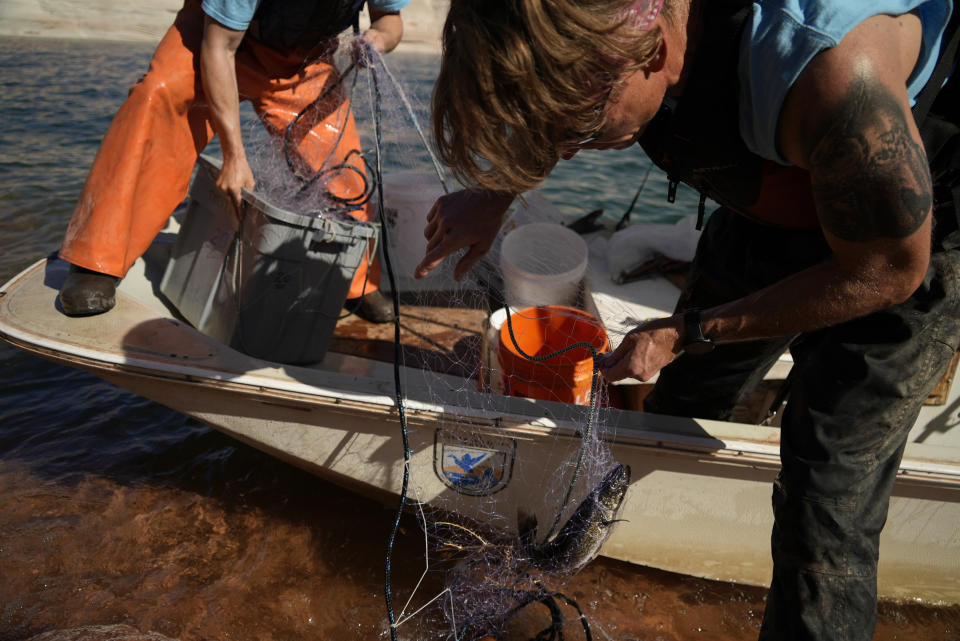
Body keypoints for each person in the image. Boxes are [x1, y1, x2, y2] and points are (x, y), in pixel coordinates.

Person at [416, 0, 960, 638]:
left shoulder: (834, 70)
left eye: (585, 130)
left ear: (656, 53)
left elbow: (890, 268)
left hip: (907, 222)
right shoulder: (620, 33)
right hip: (775, 189)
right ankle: (672, 547)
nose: (567, 146)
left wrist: (694, 329)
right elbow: (561, 98)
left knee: (828, 489)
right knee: (683, 404)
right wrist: (495, 194)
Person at [57, 0, 408, 323]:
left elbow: (390, 19)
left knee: (343, 173)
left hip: (305, 60)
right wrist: (234, 156)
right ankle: (98, 262)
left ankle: (355, 282)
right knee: (159, 99)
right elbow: (219, 46)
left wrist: (379, 40)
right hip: (213, 39)